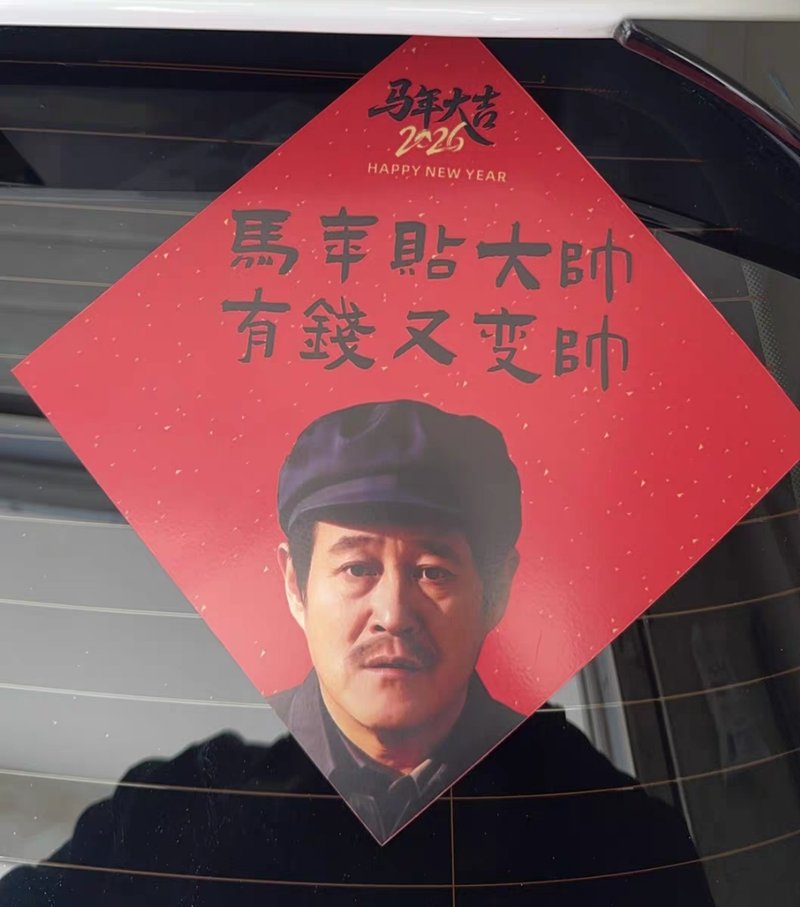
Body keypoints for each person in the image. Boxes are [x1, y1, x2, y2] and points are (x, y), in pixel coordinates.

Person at [268, 399, 526, 842]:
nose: (393, 616)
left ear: (496, 591)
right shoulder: (194, 796)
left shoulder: (593, 807)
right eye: (357, 569)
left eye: (432, 573)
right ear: (296, 585)